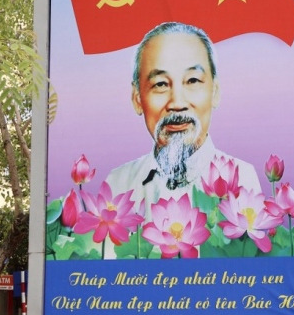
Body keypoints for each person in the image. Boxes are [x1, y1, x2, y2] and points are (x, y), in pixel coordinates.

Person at [105, 22, 261, 215]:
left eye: (193, 81)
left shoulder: (244, 179)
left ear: (215, 92)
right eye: (160, 84)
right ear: (137, 98)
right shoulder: (118, 184)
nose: (177, 103)